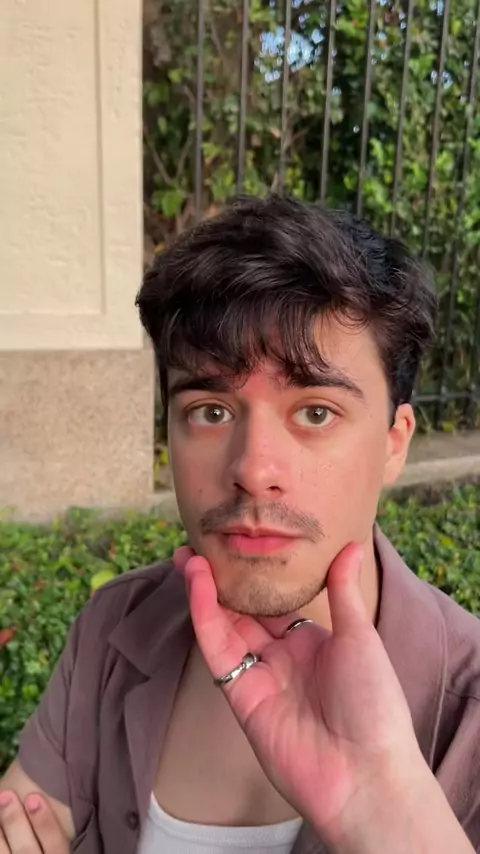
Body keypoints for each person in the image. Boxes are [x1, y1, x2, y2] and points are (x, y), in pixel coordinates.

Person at [1, 195, 479, 854]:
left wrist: (391, 819)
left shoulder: (469, 715)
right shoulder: (112, 632)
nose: (253, 469)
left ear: (395, 443)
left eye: (315, 413)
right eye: (211, 411)